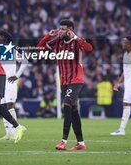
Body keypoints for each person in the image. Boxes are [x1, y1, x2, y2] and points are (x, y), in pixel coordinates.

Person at [37, 19, 93, 151]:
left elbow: (89, 49)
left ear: (70, 30)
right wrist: (47, 36)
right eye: (60, 28)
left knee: (67, 105)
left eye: (63, 29)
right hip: (64, 82)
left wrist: (76, 37)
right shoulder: (57, 42)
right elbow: (40, 48)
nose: (60, 31)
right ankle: (81, 143)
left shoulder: (77, 41)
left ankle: (63, 141)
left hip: (76, 79)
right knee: (74, 112)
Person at [0, 30, 28, 140]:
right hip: (1, 82)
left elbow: (25, 61)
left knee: (10, 105)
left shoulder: (11, 49)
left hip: (10, 82)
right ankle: (8, 133)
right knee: (3, 107)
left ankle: (15, 132)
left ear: (4, 38)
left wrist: (17, 75)